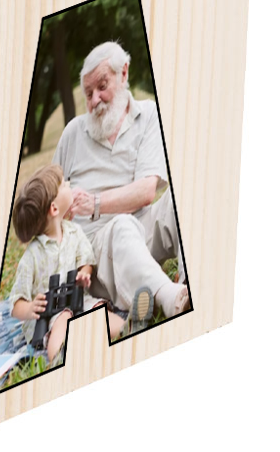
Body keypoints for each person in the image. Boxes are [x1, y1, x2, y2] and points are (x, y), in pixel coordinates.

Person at [56, 40, 189, 322]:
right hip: (96, 254)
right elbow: (49, 198)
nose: (94, 100)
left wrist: (94, 203)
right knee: (122, 226)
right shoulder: (72, 134)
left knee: (181, 195)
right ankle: (172, 298)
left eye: (102, 86)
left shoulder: (149, 114)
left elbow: (147, 191)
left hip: (141, 230)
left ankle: (190, 280)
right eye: (88, 93)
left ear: (124, 73)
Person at [8, 165, 128, 364]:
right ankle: (59, 356)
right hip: (49, 315)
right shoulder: (32, 256)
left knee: (98, 307)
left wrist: (84, 273)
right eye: (63, 184)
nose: (69, 184)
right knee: (63, 317)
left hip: (77, 299)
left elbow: (86, 261)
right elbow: (15, 303)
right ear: (54, 209)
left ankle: (127, 328)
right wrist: (29, 308)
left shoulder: (74, 232)